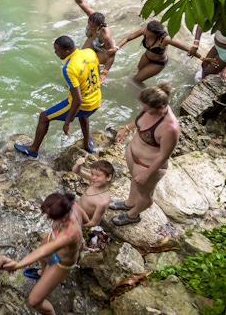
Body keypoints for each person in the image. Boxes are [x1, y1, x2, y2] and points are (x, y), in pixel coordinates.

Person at [14, 36, 101, 158]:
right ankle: (87, 144)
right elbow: (97, 71)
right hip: (96, 100)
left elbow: (78, 100)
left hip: (83, 104)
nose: (55, 53)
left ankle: (33, 149)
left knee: (44, 117)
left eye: (57, 50)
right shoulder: (89, 52)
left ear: (66, 51)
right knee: (83, 116)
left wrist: (67, 122)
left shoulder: (69, 68)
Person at [2, 192, 86, 315]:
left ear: (63, 217)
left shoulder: (68, 235)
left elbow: (43, 251)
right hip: (53, 239)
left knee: (34, 301)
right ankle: (43, 273)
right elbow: (87, 221)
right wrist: (80, 243)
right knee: (43, 260)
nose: (47, 218)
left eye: (51, 217)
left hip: (61, 262)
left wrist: (18, 265)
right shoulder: (73, 206)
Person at [110, 83, 179, 226]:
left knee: (145, 194)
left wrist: (147, 174)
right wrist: (126, 128)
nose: (144, 110)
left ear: (161, 108)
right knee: (134, 182)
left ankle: (133, 215)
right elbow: (139, 120)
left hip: (148, 165)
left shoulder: (170, 128)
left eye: (147, 108)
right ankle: (130, 202)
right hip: (133, 153)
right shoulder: (150, 109)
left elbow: (164, 156)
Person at [117, 20, 200, 84]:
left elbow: (187, 49)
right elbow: (128, 38)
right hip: (146, 57)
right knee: (138, 72)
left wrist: (204, 58)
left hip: (158, 63)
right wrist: (116, 47)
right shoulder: (144, 30)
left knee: (136, 80)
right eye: (146, 32)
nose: (146, 35)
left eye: (149, 35)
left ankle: (147, 96)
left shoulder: (165, 39)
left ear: (157, 35)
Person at [66, 0, 117, 81]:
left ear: (100, 26)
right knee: (81, 59)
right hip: (92, 41)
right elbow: (81, 3)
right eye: (88, 24)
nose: (89, 27)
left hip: (103, 50)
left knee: (93, 68)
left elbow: (112, 56)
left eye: (92, 27)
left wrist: (104, 73)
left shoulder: (106, 37)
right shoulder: (93, 17)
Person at [71, 157, 114, 228]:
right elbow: (76, 171)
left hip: (79, 220)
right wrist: (78, 164)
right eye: (92, 174)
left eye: (97, 175)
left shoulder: (103, 201)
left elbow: (94, 222)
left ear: (108, 177)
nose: (94, 177)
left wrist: (78, 226)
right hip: (74, 212)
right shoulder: (94, 182)